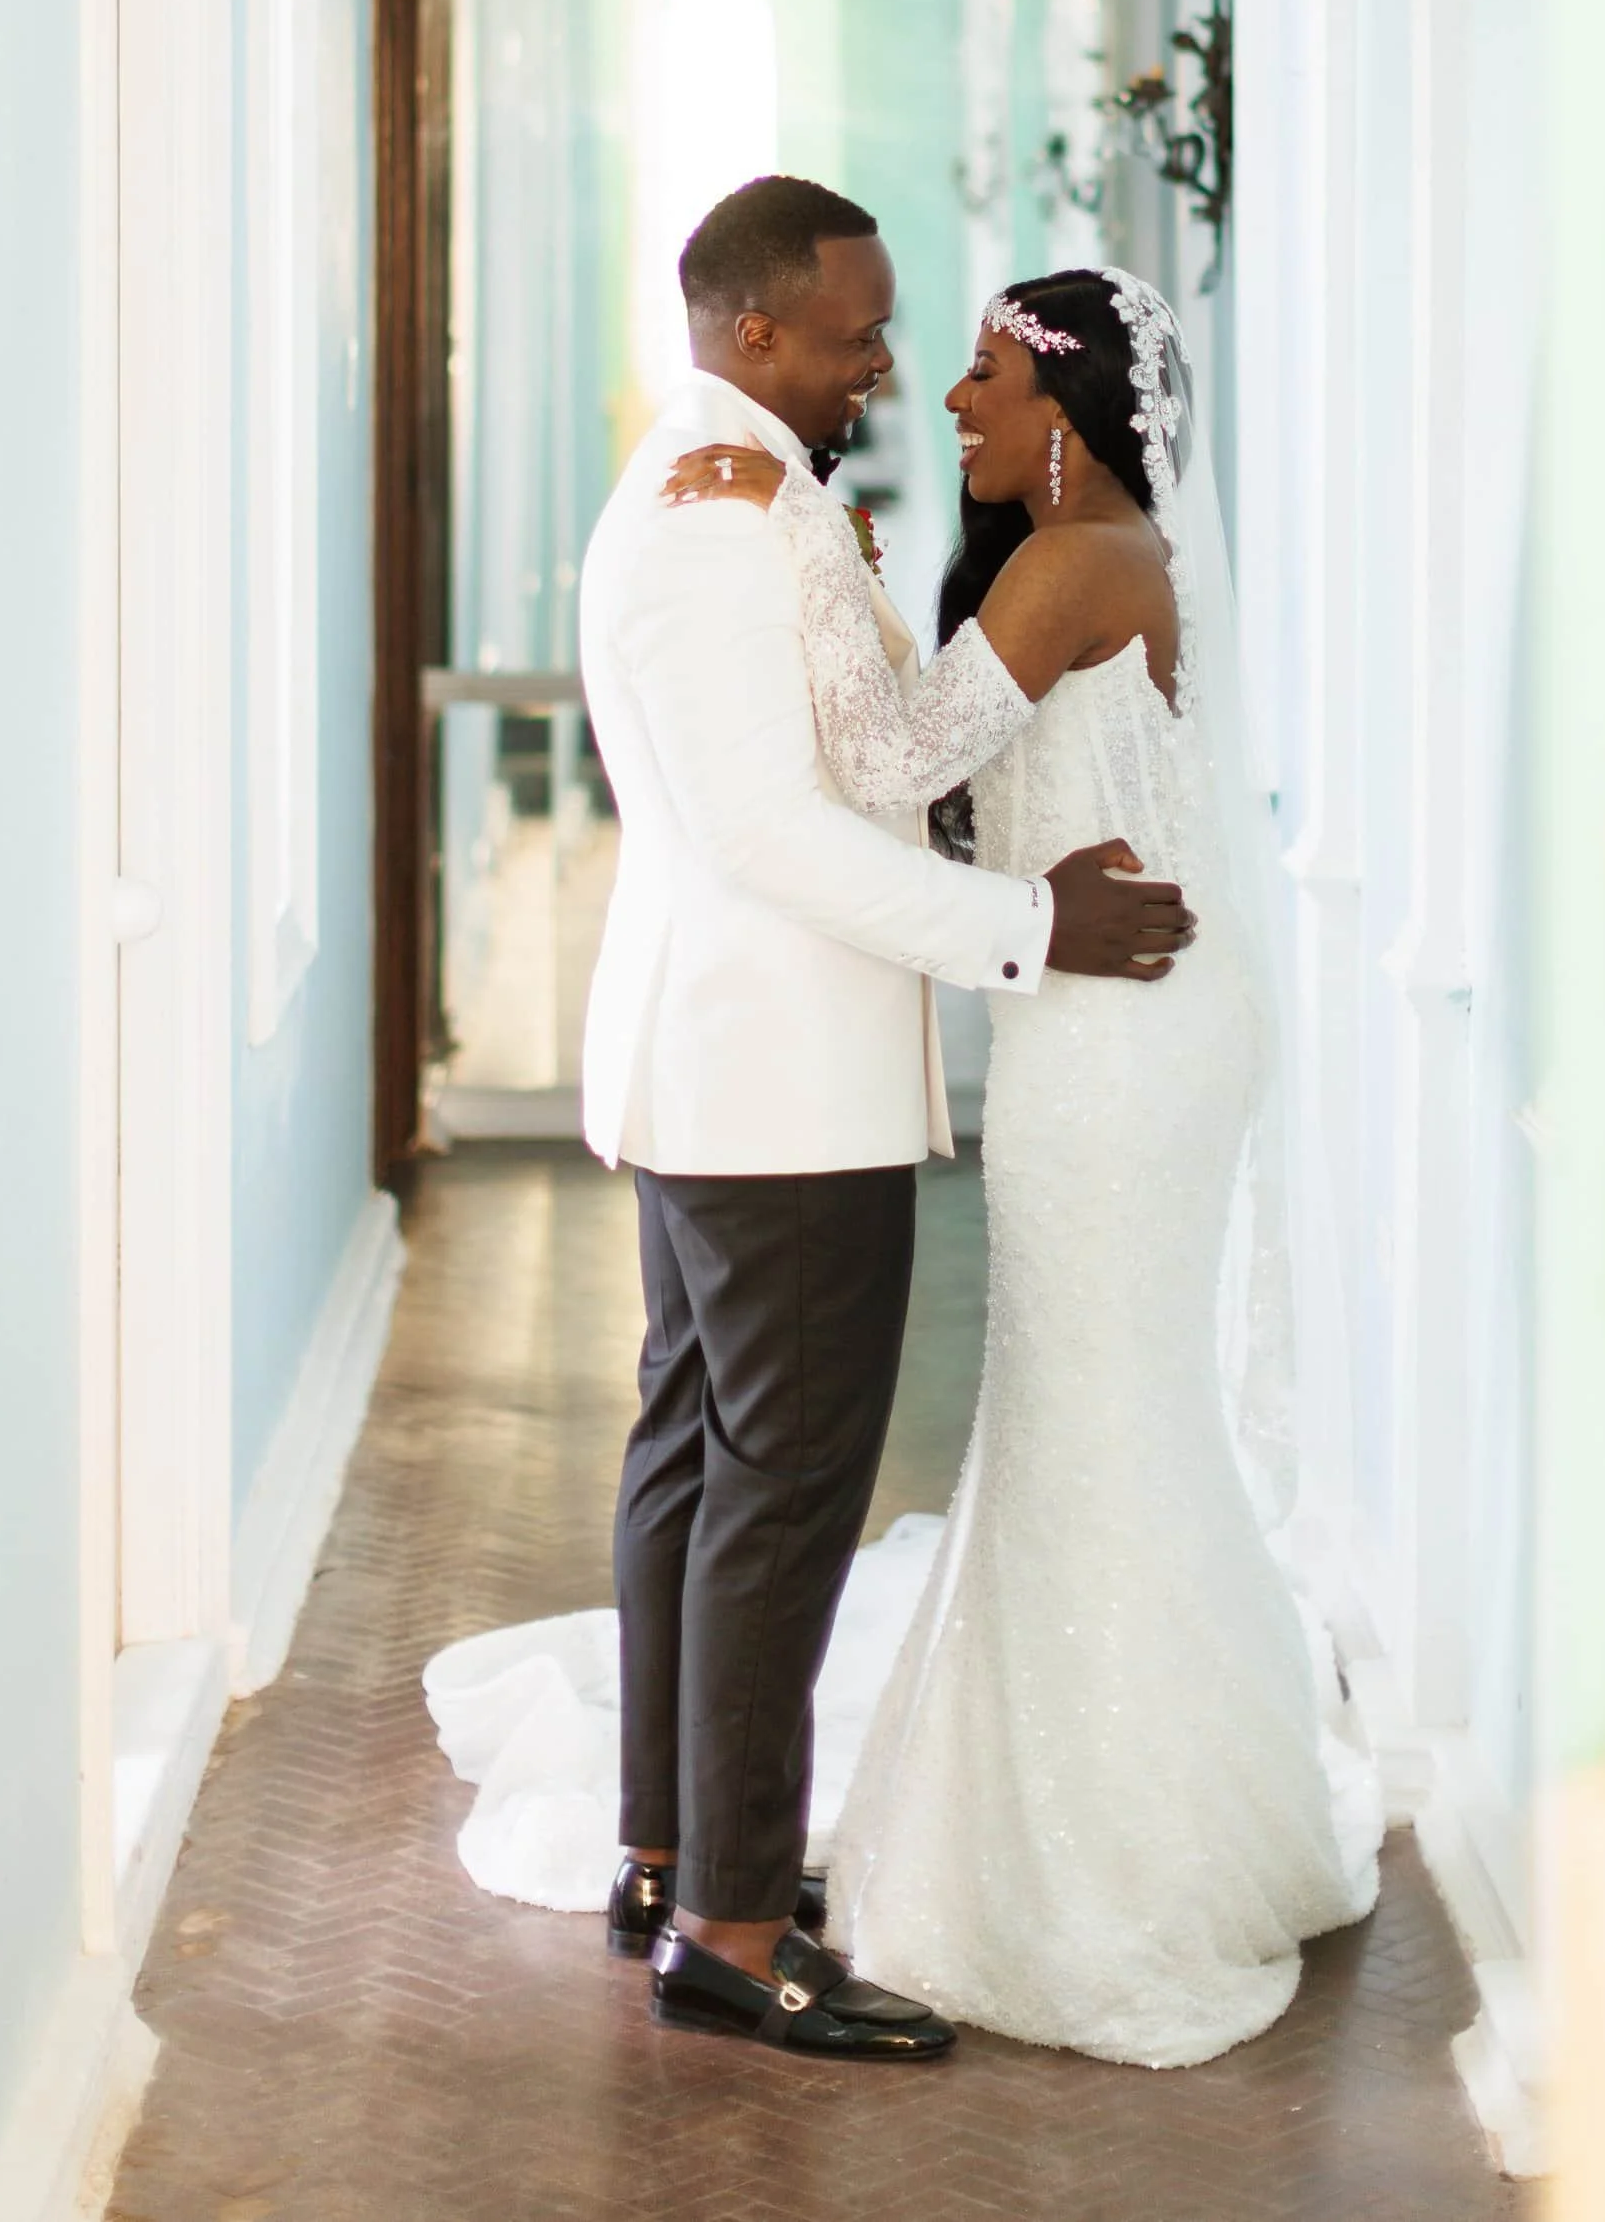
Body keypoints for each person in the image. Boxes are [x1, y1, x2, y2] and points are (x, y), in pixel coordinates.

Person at [655, 265, 1380, 2068]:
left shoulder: (1077, 563)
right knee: (1095, 1415)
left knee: (1096, 1419)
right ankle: (1145, 1809)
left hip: (1122, 1050)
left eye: (981, 374)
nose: (951, 401)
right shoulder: (1080, 560)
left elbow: (890, 754)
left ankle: (1116, 1862)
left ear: (1065, 406)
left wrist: (814, 543)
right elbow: (946, 781)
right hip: (1105, 1027)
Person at [528, 179, 1195, 2067]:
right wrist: (1029, 926)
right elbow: (770, 831)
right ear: (756, 333)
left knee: (696, 1466)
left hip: (722, 1062)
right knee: (781, 1498)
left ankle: (675, 1857)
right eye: (854, 332)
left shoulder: (729, 480)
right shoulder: (724, 519)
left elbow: (850, 755)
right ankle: (737, 1930)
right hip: (773, 1080)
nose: (885, 360)